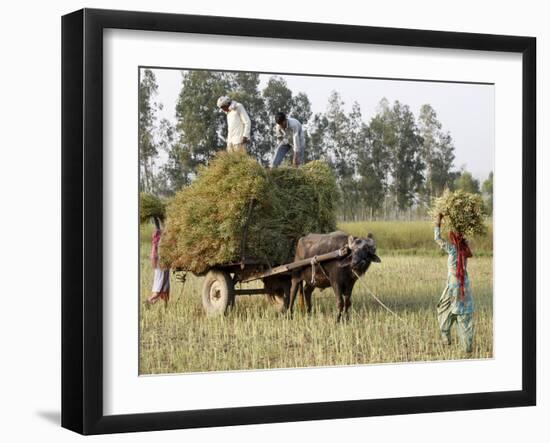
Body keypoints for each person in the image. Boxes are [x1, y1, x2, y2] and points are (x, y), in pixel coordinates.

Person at [434, 213, 474, 353]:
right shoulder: (465, 250)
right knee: (465, 317)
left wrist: (438, 222)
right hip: (465, 286)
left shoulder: (452, 249)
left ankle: (446, 339)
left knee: (443, 309)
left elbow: (437, 238)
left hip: (453, 286)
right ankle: (467, 349)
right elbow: (468, 247)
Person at [147, 217, 170, 305]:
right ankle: (148, 302)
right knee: (158, 290)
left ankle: (164, 307)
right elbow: (162, 229)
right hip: (161, 264)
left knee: (165, 290)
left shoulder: (158, 239)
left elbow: (161, 228)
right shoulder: (159, 241)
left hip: (163, 265)